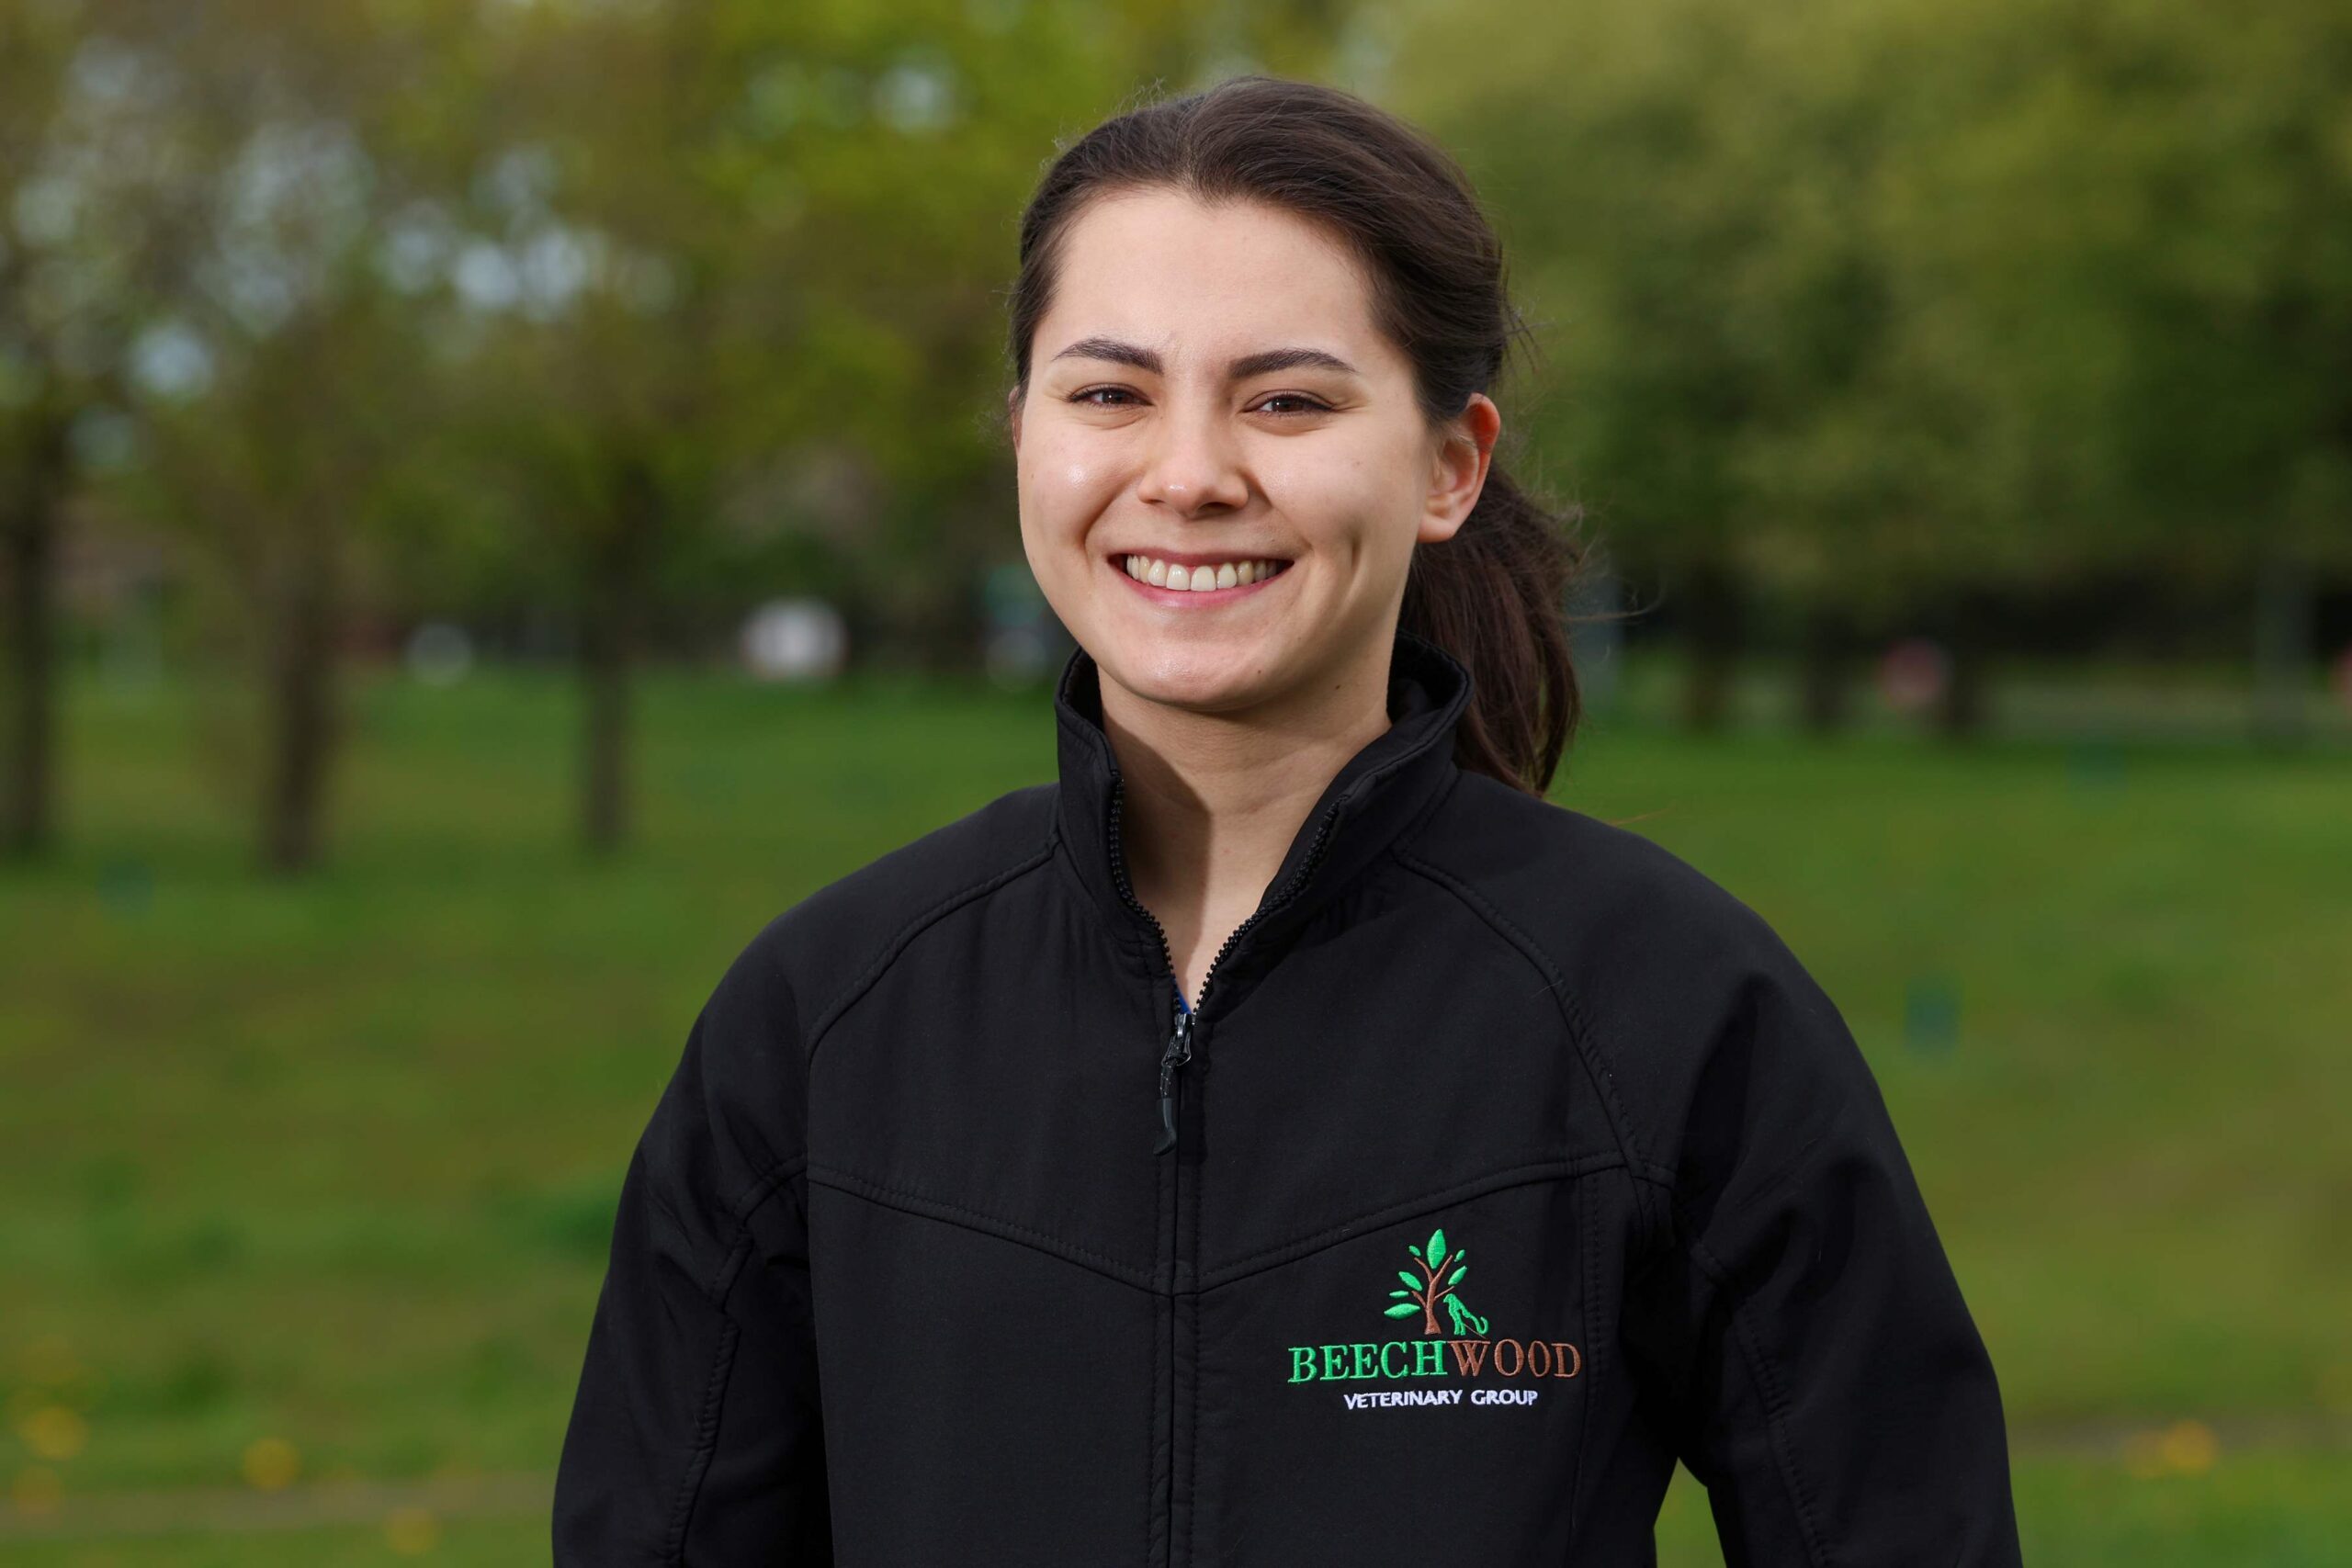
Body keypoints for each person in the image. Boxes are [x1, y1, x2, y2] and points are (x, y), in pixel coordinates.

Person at [552, 74, 2022, 1564]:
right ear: (1021, 436)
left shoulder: (1672, 1011)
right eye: (1110, 393)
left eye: (1289, 400)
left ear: (1451, 464)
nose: (1188, 477)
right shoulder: (820, 1025)